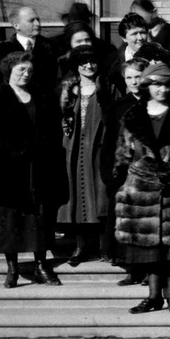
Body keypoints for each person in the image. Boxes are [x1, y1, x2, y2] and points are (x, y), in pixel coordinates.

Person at [0, 52, 65, 290]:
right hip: (7, 174)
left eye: (29, 70)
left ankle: (40, 266)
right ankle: (13, 269)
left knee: (39, 221)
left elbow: (54, 134)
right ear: (9, 72)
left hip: (38, 171)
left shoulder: (43, 96)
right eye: (21, 70)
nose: (26, 74)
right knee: (10, 223)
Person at [115, 62, 170, 312]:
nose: (163, 90)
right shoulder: (133, 116)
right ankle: (153, 296)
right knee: (149, 249)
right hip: (141, 189)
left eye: (167, 85)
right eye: (157, 84)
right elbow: (123, 154)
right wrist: (124, 182)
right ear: (148, 85)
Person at [57, 44, 123, 266]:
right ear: (76, 66)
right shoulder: (68, 91)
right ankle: (81, 246)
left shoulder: (107, 88)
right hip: (74, 151)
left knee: (101, 198)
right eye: (83, 62)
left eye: (92, 61)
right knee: (77, 197)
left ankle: (106, 248)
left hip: (101, 149)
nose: (88, 65)